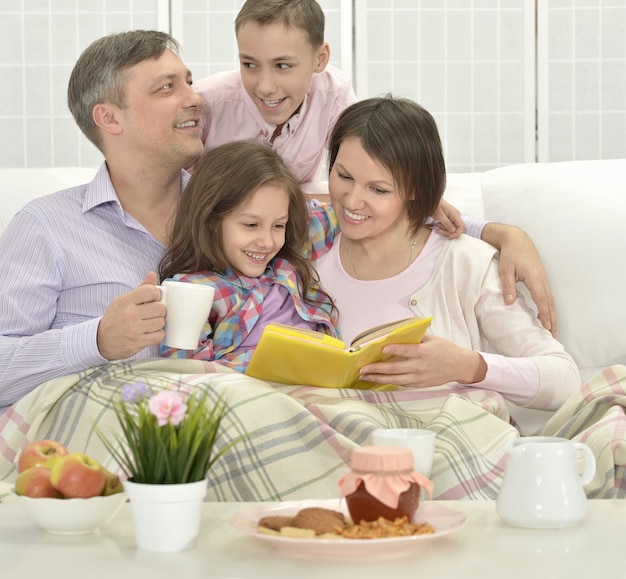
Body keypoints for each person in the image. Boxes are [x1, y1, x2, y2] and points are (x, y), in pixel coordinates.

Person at [194, 0, 558, 335]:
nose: (265, 85)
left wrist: (498, 232)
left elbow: (369, 180)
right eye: (249, 64)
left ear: (320, 58)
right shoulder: (208, 104)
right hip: (212, 246)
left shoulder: (334, 96)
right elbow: (179, 195)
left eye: (283, 65)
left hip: (287, 243)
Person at [315, 96, 580, 410]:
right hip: (343, 443)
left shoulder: (464, 263)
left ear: (414, 189)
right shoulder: (305, 260)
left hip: (449, 441)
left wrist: (467, 366)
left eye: (378, 189)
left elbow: (564, 380)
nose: (353, 201)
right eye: (344, 177)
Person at [0, 30, 204, 411]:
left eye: (189, 82)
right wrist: (97, 340)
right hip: (94, 448)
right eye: (167, 87)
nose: (195, 98)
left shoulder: (230, 218)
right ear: (109, 117)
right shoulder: (44, 227)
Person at [158, 140, 338, 371]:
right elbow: (186, 369)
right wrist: (271, 363)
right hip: (255, 388)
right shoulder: (191, 289)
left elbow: (345, 210)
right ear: (212, 221)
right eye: (251, 224)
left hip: (323, 378)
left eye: (278, 226)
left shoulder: (288, 255)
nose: (267, 242)